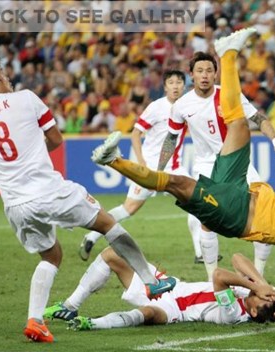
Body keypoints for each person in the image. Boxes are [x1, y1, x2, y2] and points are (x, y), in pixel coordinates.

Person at [91, 28, 275, 325]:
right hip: (243, 188)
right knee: (239, 124)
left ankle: (112, 160)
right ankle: (228, 53)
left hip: (235, 213)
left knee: (178, 184)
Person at [0, 57, 176, 343]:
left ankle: (35, 321)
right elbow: (55, 138)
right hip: (48, 190)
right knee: (107, 223)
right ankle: (151, 281)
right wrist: (35, 149)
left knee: (51, 255)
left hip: (15, 205)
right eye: (2, 74)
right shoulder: (25, 98)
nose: (8, 78)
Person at [157, 51, 275, 280]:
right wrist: (159, 169)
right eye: (200, 71)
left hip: (238, 162)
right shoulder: (181, 105)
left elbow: (258, 118)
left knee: (262, 214)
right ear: (192, 75)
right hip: (206, 166)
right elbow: (171, 137)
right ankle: (212, 280)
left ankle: (257, 277)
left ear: (216, 73)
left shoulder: (230, 96)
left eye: (209, 70)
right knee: (207, 221)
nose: (205, 75)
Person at [78, 70, 202, 263]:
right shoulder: (156, 107)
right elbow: (136, 134)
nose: (176, 86)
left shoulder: (187, 107)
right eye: (171, 82)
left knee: (196, 203)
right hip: (151, 167)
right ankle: (91, 236)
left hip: (174, 167)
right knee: (129, 209)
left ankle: (200, 254)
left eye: (179, 82)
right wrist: (142, 162)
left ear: (184, 86)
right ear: (165, 87)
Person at [45, 249, 275, 330]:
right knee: (112, 254)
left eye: (264, 302)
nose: (261, 297)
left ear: (253, 313)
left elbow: (219, 275)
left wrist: (254, 285)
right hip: (173, 285)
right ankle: (70, 307)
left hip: (174, 308)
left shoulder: (233, 313)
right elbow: (237, 257)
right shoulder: (249, 296)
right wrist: (262, 284)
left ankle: (92, 323)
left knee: (147, 314)